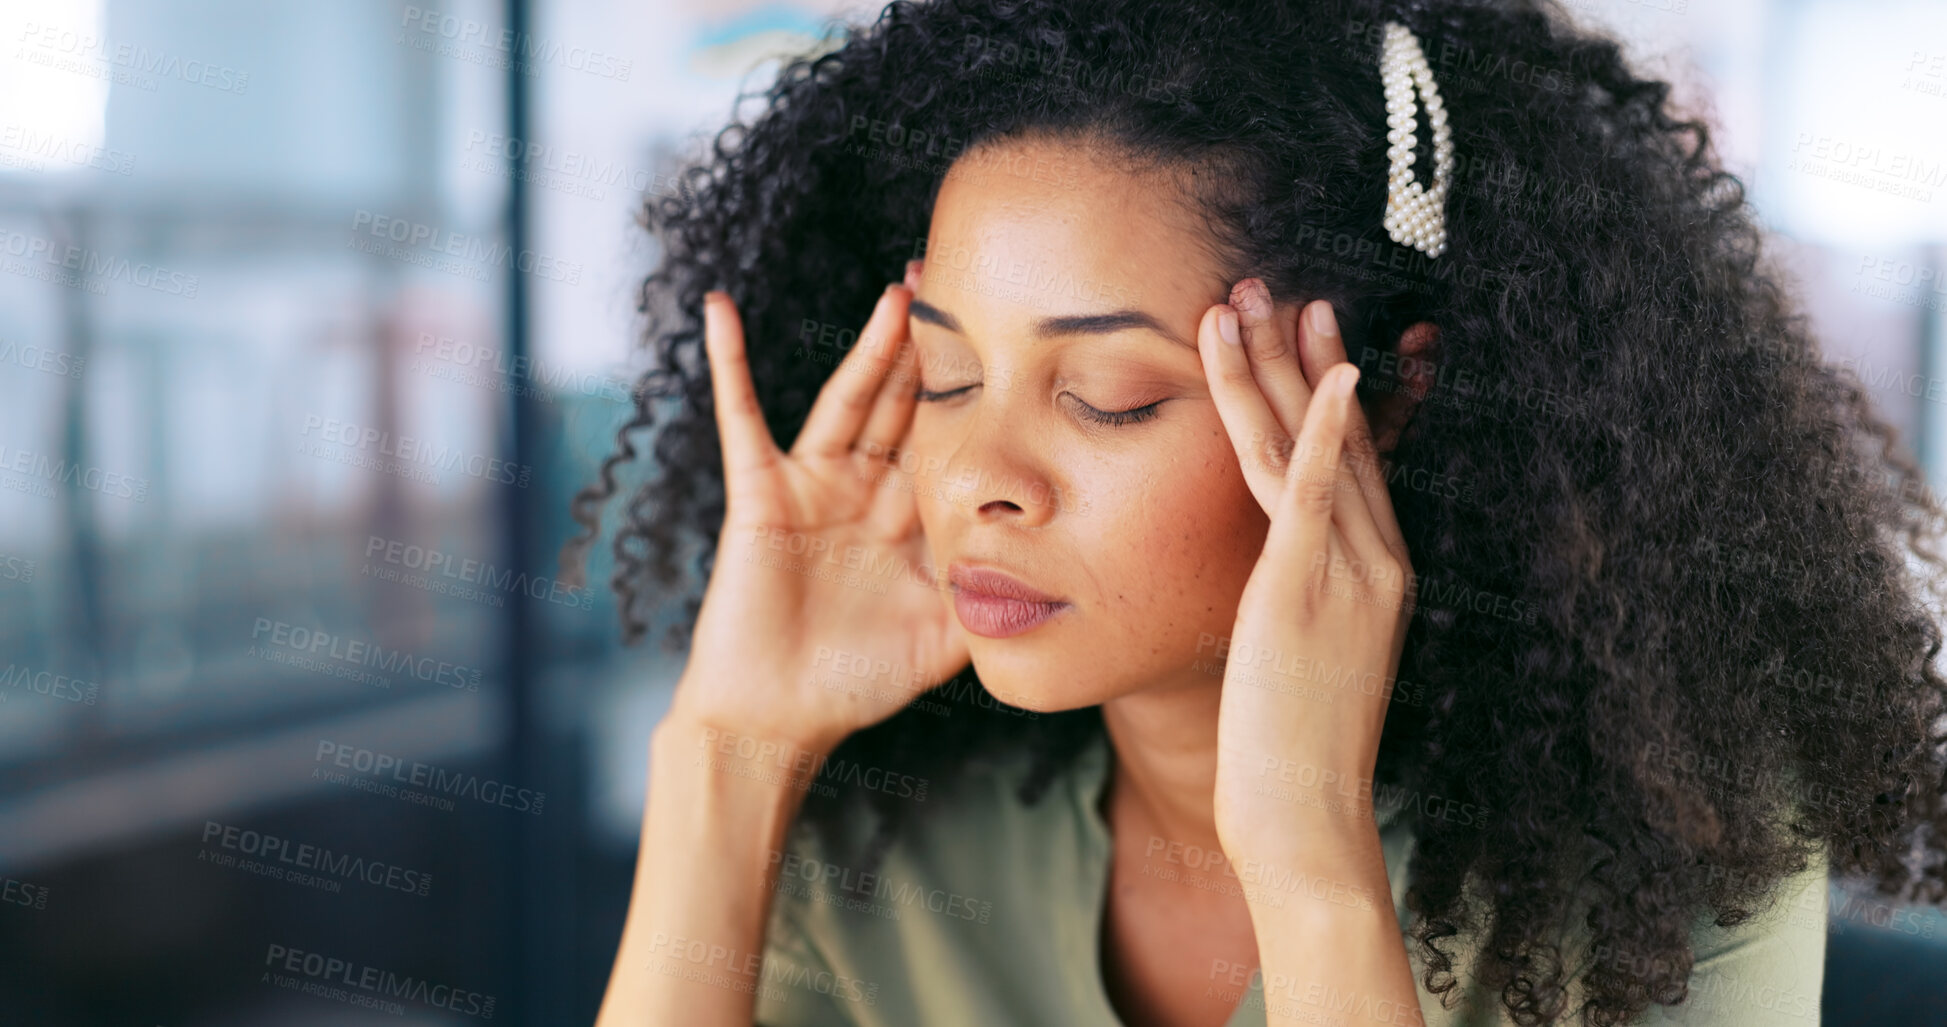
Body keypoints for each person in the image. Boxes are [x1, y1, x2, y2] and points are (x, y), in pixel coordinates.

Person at [574, 0, 1947, 1023]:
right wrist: (730, 749)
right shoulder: (886, 825)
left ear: (1383, 404)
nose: (978, 477)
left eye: (1108, 395)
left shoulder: (1678, 855)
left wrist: (1308, 867)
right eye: (947, 374)